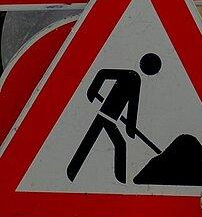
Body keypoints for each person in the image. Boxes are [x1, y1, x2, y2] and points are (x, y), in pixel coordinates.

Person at [67, 52, 160, 183]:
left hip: (108, 118)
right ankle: (120, 181)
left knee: (91, 140)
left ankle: (72, 171)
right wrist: (92, 91)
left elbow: (132, 106)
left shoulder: (133, 77)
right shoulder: (132, 77)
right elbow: (103, 74)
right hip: (106, 117)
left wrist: (130, 128)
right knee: (118, 144)